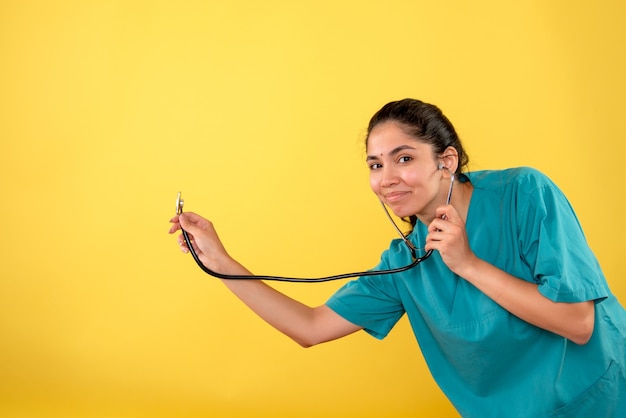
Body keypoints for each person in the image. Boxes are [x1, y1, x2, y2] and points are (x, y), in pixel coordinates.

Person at [168, 98, 626, 417]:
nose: (387, 178)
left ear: (446, 160)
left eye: (403, 158)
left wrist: (467, 264)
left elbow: (578, 322)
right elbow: (310, 328)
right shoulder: (405, 261)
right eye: (375, 164)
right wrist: (221, 263)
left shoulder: (524, 194)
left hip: (600, 399)